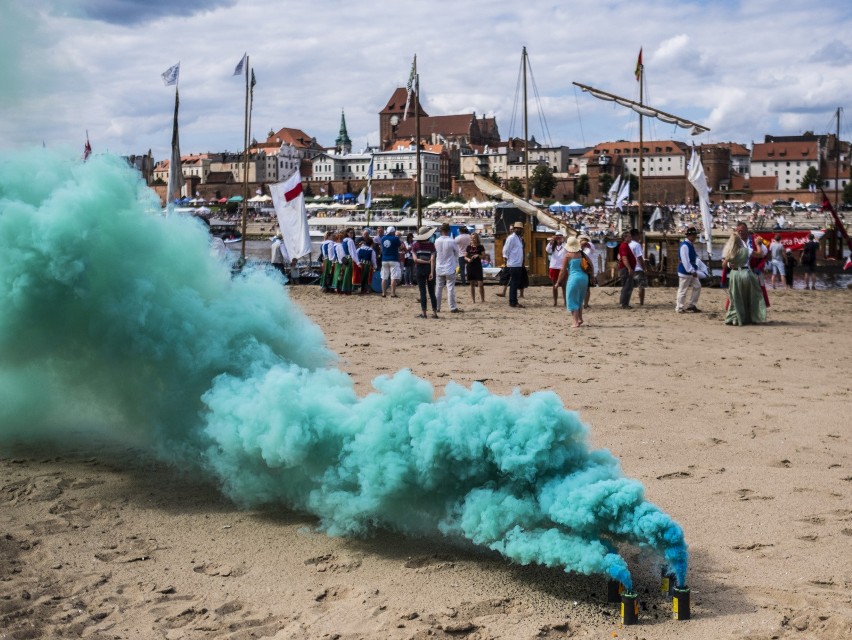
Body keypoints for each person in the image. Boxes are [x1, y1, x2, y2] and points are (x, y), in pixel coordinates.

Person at [721, 222, 766, 326]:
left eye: (743, 231)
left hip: (735, 274)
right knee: (750, 296)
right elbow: (760, 254)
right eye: (739, 231)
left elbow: (723, 264)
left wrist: (728, 265)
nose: (741, 232)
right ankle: (748, 317)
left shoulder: (731, 249)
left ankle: (735, 318)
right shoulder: (747, 249)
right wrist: (758, 245)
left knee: (735, 297)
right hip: (746, 273)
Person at [556, 235, 591, 328]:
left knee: (571, 300)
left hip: (574, 278)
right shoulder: (582, 254)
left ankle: (575, 322)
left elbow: (563, 271)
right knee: (579, 300)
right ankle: (580, 318)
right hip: (584, 278)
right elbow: (591, 265)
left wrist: (558, 282)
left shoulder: (567, 256)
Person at [411, 226, 438, 318]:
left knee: (422, 292)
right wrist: (431, 272)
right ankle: (434, 313)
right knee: (432, 292)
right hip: (429, 269)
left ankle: (424, 313)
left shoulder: (415, 246)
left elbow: (415, 260)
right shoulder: (431, 245)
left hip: (420, 269)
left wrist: (424, 261)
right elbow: (433, 259)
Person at [434, 222, 461, 313]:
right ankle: (452, 307)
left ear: (441, 230)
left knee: (438, 287)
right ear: (448, 230)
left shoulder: (437, 241)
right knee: (450, 288)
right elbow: (457, 253)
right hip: (449, 266)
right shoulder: (451, 241)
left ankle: (437, 307)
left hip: (439, 266)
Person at [676, 227, 702, 313]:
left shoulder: (689, 245)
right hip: (686, 271)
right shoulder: (685, 246)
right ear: (689, 236)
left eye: (695, 235)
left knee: (697, 286)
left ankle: (692, 305)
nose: (695, 237)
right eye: (693, 235)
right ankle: (679, 307)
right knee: (683, 290)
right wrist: (691, 270)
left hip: (691, 271)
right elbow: (685, 261)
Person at [502, 221, 526, 308]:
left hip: (518, 264)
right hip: (513, 264)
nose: (519, 230)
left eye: (520, 228)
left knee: (515, 283)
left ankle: (514, 301)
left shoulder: (519, 238)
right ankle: (513, 302)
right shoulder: (511, 238)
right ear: (515, 229)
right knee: (514, 284)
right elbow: (505, 250)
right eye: (517, 228)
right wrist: (507, 260)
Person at [380, 225, 402, 298]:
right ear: (393, 232)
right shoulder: (395, 238)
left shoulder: (383, 238)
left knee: (384, 277)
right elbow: (401, 247)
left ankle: (383, 293)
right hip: (394, 259)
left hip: (384, 259)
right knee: (393, 277)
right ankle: (392, 293)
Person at [628, 228, 648, 305]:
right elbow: (639, 257)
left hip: (630, 268)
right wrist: (644, 268)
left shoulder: (628, 244)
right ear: (635, 235)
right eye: (639, 235)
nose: (640, 236)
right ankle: (641, 302)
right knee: (641, 286)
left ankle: (627, 302)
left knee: (629, 286)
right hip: (638, 268)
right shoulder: (637, 245)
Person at [546, 231, 567, 307]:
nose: (558, 238)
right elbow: (547, 250)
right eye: (557, 237)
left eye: (560, 237)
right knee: (554, 286)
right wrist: (551, 241)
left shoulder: (565, 245)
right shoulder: (552, 245)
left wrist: (563, 240)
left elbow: (567, 249)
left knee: (564, 285)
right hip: (554, 267)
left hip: (562, 267)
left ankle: (565, 301)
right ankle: (555, 301)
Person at [465, 232, 486, 303]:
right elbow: (465, 256)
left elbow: (484, 257)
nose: (473, 239)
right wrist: (468, 259)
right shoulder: (468, 247)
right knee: (472, 285)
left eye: (474, 238)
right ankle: (473, 300)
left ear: (477, 239)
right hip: (470, 266)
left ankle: (483, 299)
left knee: (480, 284)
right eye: (472, 238)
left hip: (478, 266)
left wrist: (478, 256)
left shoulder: (480, 247)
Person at [617, 230, 636, 309]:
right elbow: (624, 258)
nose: (631, 238)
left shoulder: (625, 245)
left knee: (628, 286)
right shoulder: (624, 246)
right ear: (625, 238)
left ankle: (625, 303)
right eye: (629, 236)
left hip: (626, 268)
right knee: (627, 286)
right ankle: (623, 304)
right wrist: (629, 268)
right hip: (625, 268)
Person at [579, 234, 596, 310]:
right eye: (582, 239)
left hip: (587, 269)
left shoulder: (590, 247)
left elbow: (592, 248)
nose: (583, 241)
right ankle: (580, 303)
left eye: (585, 239)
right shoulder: (578, 248)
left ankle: (586, 304)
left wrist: (585, 243)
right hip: (579, 269)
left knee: (587, 288)